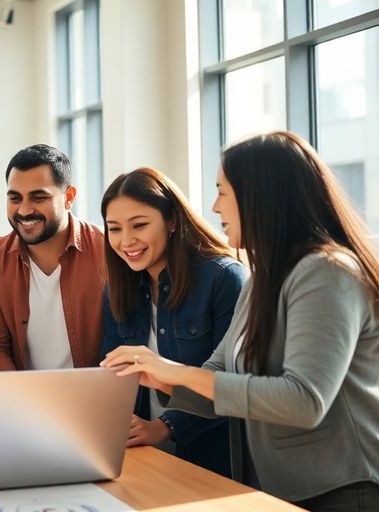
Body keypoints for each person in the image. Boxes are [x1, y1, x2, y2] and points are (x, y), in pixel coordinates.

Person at [103, 131, 379, 510]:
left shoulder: (326, 272)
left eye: (223, 191)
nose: (215, 206)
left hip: (346, 489)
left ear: (260, 195)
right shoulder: (262, 277)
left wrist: (175, 372)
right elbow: (219, 373)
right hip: (284, 490)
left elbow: (304, 400)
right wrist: (160, 379)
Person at [100, 167, 247, 477]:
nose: (126, 241)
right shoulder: (116, 290)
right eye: (114, 228)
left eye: (139, 225)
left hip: (210, 461)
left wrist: (164, 427)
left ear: (171, 220)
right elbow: (114, 377)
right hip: (141, 459)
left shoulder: (223, 279)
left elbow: (231, 387)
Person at [0, 144, 106, 371]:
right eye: (15, 198)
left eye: (38, 197)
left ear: (69, 197)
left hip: (96, 397)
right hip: (24, 400)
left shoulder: (106, 250)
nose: (24, 210)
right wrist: (21, 403)